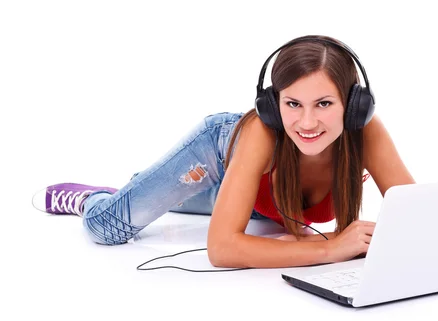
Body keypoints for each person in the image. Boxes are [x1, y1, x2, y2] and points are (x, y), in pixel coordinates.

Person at [32, 35, 415, 268]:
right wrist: (329, 248)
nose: (308, 123)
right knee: (108, 228)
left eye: (324, 104)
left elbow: (419, 217)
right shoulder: (261, 133)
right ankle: (94, 198)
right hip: (216, 157)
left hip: (257, 198)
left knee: (188, 203)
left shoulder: (365, 134)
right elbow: (221, 248)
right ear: (273, 104)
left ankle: (144, 188)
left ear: (354, 106)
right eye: (293, 104)